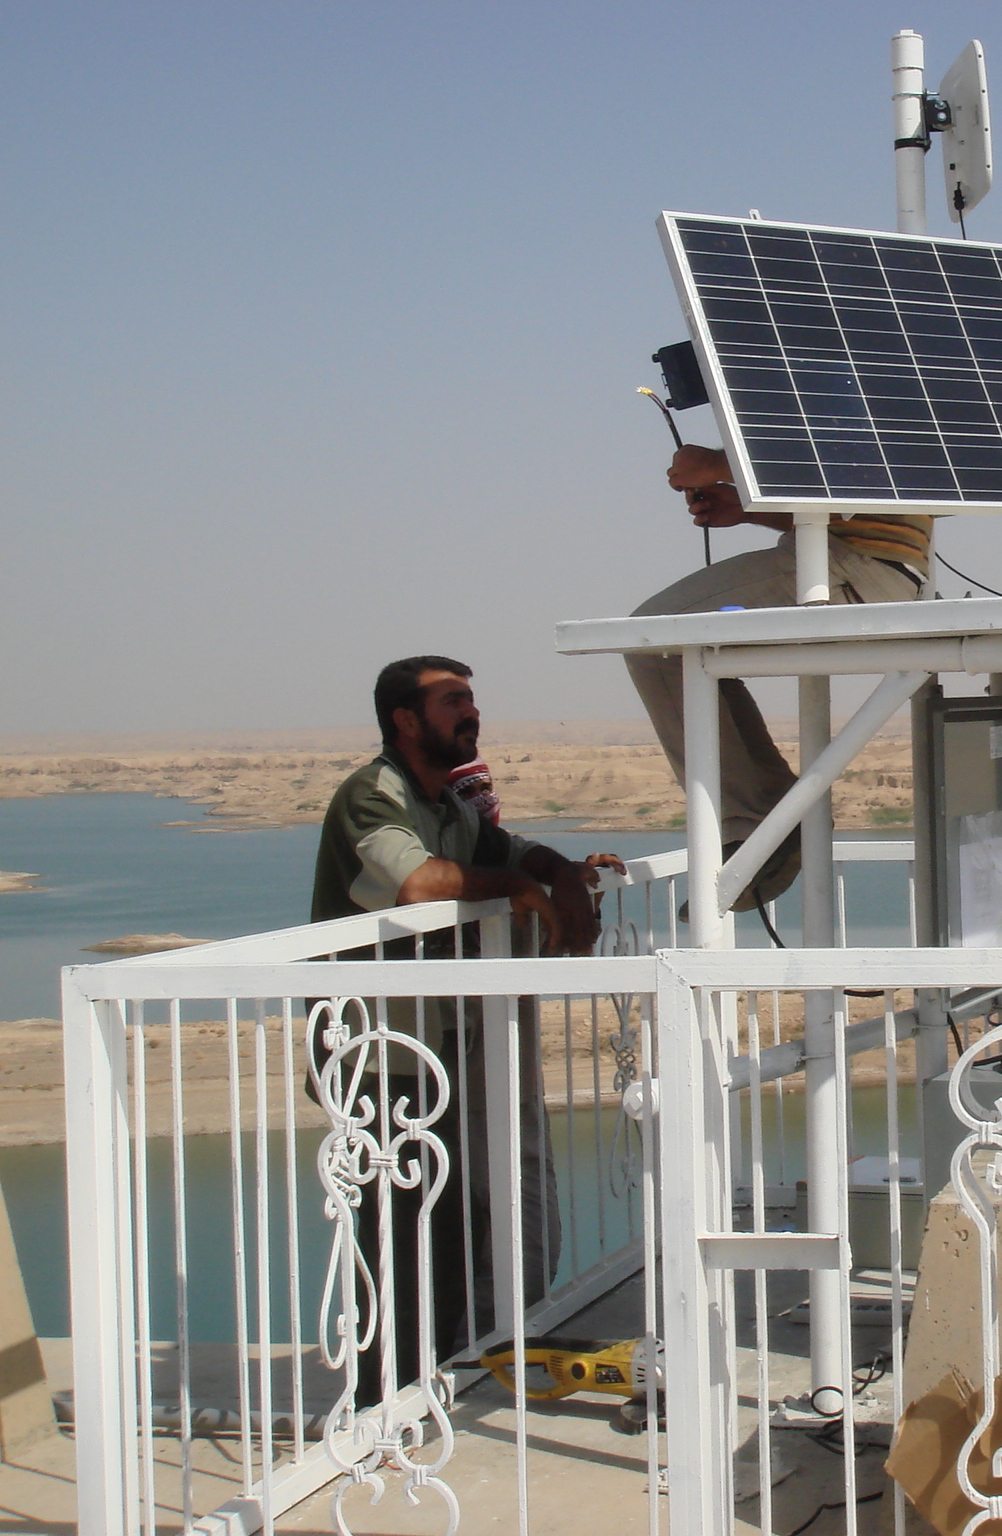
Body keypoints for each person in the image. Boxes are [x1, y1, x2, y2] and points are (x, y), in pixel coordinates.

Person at [310, 655, 624, 1398]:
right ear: (405, 720)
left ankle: (432, 1387)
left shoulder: (448, 806)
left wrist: (562, 873)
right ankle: (381, 1405)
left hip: (435, 1050)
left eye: (471, 700)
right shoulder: (373, 796)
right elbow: (418, 882)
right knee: (396, 1239)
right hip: (377, 1056)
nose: (471, 713)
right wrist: (518, 886)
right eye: (452, 702)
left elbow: (511, 851)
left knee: (449, 1228)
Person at [624, 444, 929, 910]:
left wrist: (722, 464)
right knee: (685, 651)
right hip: (868, 563)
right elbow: (848, 503)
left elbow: (861, 463)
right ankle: (772, 816)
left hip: (853, 563)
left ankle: (763, 822)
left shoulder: (849, 408)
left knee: (654, 641)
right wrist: (749, 508)